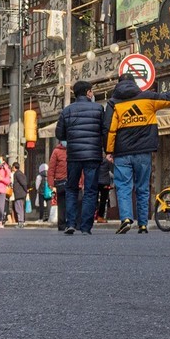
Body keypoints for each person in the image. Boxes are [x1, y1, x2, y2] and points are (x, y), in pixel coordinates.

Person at [105, 73, 170, 234]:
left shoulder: (113, 103)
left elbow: (110, 129)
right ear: (134, 83)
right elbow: (167, 98)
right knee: (143, 187)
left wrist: (109, 151)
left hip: (122, 152)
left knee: (123, 187)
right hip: (143, 152)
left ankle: (126, 219)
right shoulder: (147, 98)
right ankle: (143, 224)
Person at [56, 80, 110, 235]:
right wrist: (107, 150)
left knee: (72, 189)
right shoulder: (98, 109)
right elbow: (104, 131)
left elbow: (59, 134)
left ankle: (71, 223)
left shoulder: (67, 110)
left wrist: (72, 138)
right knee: (91, 191)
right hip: (93, 155)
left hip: (73, 155)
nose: (92, 94)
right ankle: (86, 227)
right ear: (88, 92)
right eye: (91, 91)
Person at [47, 141, 68, 231]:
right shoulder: (56, 151)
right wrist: (51, 183)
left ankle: (71, 223)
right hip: (60, 181)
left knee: (72, 202)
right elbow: (51, 168)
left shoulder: (73, 150)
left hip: (72, 180)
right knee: (62, 204)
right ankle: (62, 224)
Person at [96, 157, 114, 223]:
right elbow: (112, 171)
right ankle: (100, 217)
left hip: (96, 182)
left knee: (94, 199)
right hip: (105, 183)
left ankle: (92, 216)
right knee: (103, 201)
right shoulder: (108, 162)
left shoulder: (95, 161)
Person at [11, 162, 29, 228]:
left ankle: (20, 222)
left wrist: (26, 190)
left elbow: (23, 183)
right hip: (20, 193)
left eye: (12, 167)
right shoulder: (20, 173)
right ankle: (21, 222)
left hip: (19, 194)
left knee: (19, 208)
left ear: (14, 167)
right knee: (19, 208)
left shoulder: (18, 174)